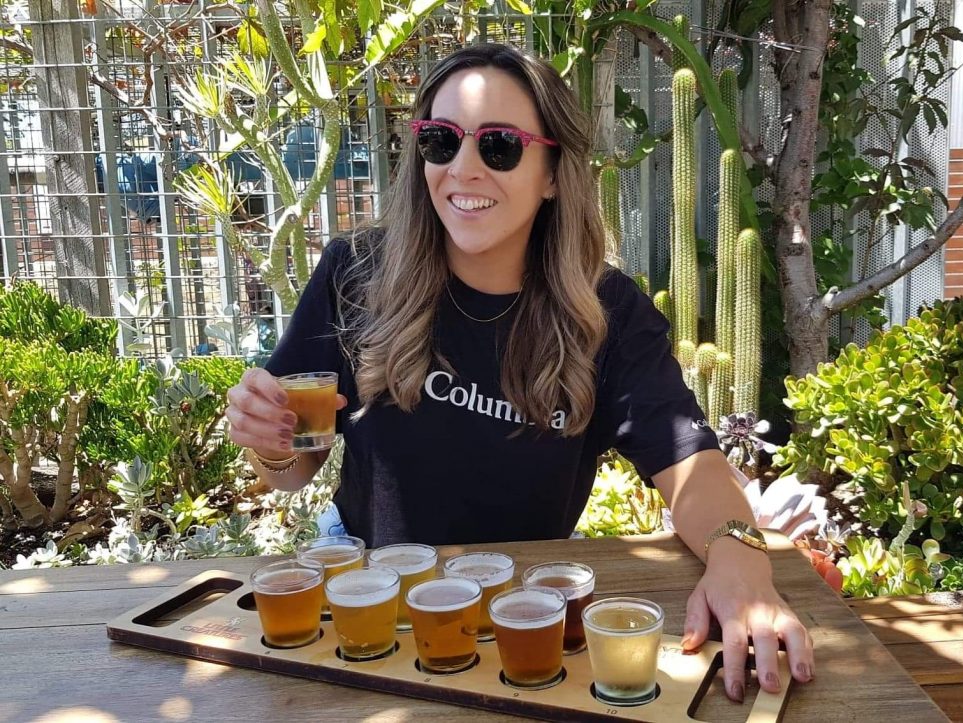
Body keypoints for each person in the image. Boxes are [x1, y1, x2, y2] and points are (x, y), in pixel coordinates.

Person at [226, 43, 814, 702]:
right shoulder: (354, 273)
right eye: (440, 142)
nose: (462, 169)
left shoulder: (607, 314)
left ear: (553, 172)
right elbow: (294, 465)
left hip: (524, 596)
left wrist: (740, 560)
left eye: (500, 146)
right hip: (373, 584)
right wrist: (269, 439)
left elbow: (691, 464)